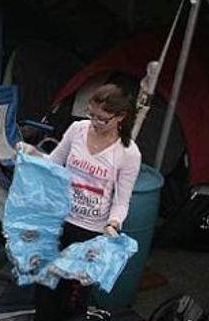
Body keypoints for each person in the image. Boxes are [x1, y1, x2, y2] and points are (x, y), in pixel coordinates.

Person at [30, 84, 141, 321]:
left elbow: (122, 200)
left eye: (102, 119)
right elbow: (54, 162)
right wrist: (32, 159)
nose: (95, 122)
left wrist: (113, 224)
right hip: (59, 220)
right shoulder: (77, 129)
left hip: (90, 230)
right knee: (45, 285)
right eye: (91, 115)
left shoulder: (128, 152)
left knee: (74, 295)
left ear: (120, 117)